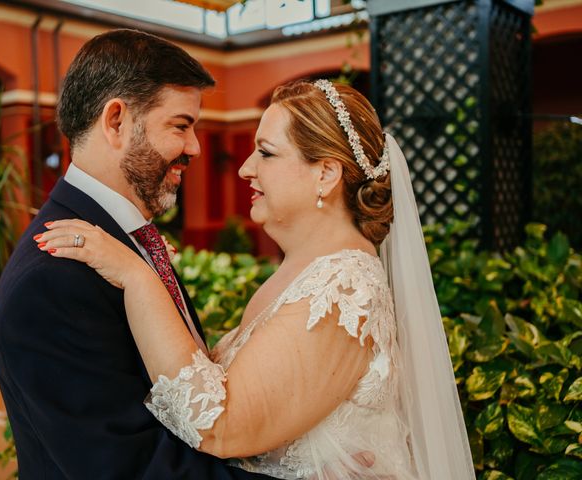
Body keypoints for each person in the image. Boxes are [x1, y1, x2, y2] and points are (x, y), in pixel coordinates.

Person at [35, 80, 477, 479]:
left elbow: (220, 425)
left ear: (325, 173)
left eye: (266, 153)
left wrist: (137, 277)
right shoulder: (304, 270)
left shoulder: (344, 289)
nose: (246, 169)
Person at [0, 29, 274, 479]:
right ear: (116, 121)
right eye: (181, 125)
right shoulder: (52, 280)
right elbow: (133, 468)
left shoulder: (124, 240)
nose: (196, 147)